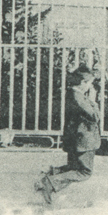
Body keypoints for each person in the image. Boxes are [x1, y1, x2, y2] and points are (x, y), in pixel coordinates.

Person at [36, 68, 101, 205]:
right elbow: (94, 116)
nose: (90, 87)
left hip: (76, 139)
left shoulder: (72, 94)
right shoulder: (79, 97)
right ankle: (49, 181)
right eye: (90, 83)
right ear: (83, 82)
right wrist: (93, 101)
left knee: (73, 167)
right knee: (85, 172)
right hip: (84, 140)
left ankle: (50, 174)